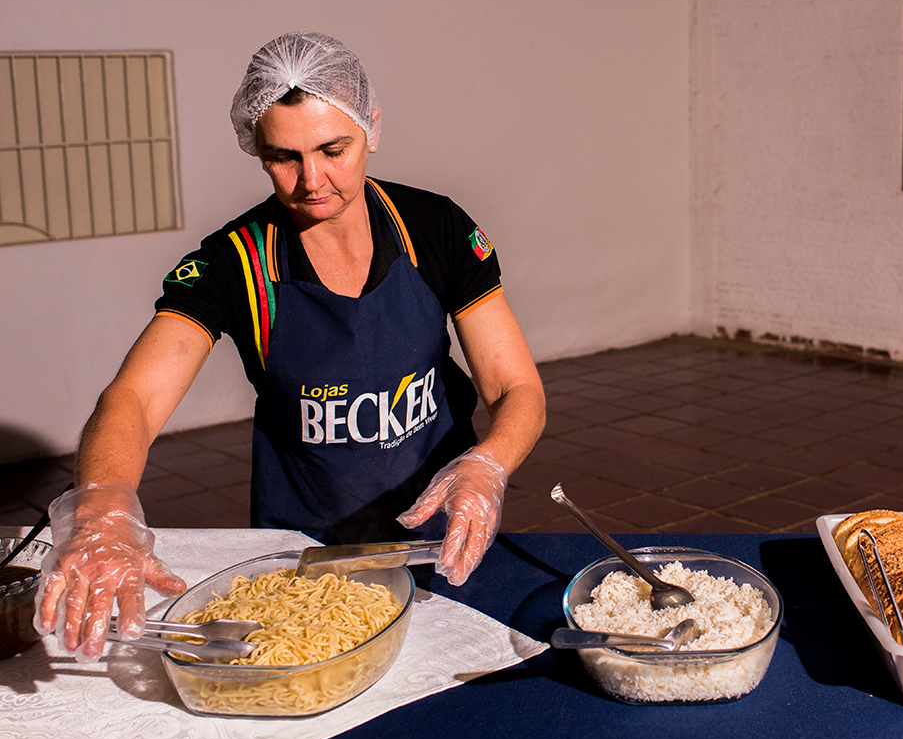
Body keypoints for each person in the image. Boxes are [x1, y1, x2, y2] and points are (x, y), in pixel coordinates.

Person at [35, 32, 546, 660]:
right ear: (255, 148)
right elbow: (134, 398)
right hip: (308, 547)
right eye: (283, 156)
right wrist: (103, 503)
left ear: (372, 129)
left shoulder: (432, 228)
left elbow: (514, 386)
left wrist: (488, 463)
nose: (312, 180)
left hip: (438, 528)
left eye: (334, 149)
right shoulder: (236, 263)